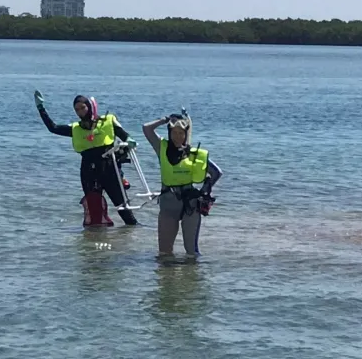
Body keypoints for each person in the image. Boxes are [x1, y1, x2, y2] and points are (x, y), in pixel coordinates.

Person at [34, 90, 140, 226]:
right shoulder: (75, 128)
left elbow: (124, 135)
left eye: (82, 107)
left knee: (124, 210)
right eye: (77, 109)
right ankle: (95, 243)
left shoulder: (108, 121)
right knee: (95, 214)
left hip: (109, 169)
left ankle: (133, 235)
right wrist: (41, 108)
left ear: (89, 106)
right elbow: (53, 128)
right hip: (89, 172)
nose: (80, 112)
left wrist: (130, 140)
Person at [142, 111, 222, 256]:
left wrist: (203, 191)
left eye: (181, 133)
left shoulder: (194, 154)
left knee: (191, 251)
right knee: (164, 252)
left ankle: (192, 277)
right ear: (169, 132)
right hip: (168, 203)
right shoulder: (161, 148)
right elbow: (146, 128)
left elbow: (216, 173)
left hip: (190, 204)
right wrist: (165, 120)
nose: (177, 137)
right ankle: (168, 278)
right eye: (174, 133)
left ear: (186, 134)